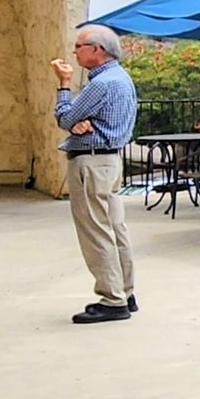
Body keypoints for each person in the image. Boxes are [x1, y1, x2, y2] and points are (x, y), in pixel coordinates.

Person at [53, 24, 139, 324]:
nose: (75, 51)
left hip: (91, 161)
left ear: (97, 50)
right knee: (115, 227)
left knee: (96, 230)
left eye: (79, 46)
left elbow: (65, 117)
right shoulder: (121, 78)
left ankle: (112, 299)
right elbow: (76, 120)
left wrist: (64, 85)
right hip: (109, 160)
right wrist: (80, 121)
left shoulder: (101, 84)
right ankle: (125, 291)